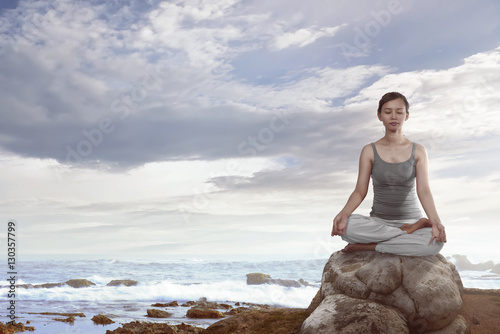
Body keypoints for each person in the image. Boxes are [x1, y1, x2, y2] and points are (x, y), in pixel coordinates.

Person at [331, 92, 446, 256]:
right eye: (387, 112)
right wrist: (343, 214)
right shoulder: (369, 151)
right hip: (379, 223)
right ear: (379, 116)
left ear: (406, 116)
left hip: (411, 220)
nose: (394, 116)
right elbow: (360, 191)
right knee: (347, 227)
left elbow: (424, 190)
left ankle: (371, 246)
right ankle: (407, 235)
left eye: (399, 112)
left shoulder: (419, 150)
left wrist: (436, 222)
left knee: (436, 242)